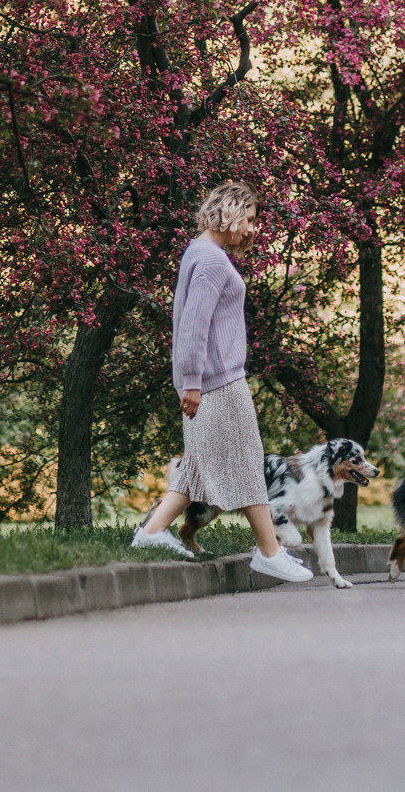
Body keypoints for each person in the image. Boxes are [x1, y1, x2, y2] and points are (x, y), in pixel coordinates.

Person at [130, 182, 313, 582]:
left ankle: (152, 532)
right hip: (218, 381)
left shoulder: (200, 252)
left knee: (196, 467)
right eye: (248, 219)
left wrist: (190, 380)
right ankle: (269, 551)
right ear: (229, 211)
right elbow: (194, 325)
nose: (251, 229)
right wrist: (192, 382)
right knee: (248, 462)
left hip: (208, 379)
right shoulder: (212, 261)